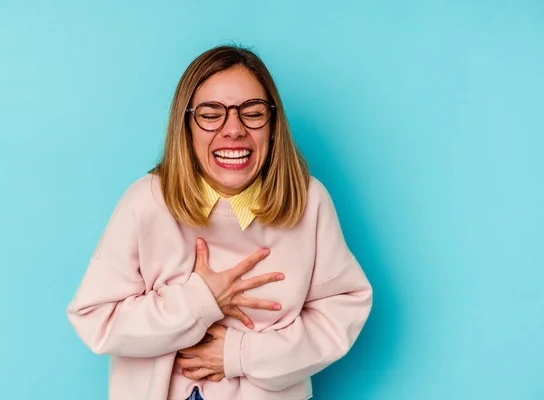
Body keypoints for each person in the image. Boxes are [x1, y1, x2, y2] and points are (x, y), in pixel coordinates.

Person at [67, 45, 373, 400]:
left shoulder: (308, 202)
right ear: (187, 126)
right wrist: (201, 300)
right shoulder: (146, 201)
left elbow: (342, 310)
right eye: (211, 114)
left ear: (273, 125)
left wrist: (240, 355)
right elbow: (94, 318)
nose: (233, 130)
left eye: (252, 113)